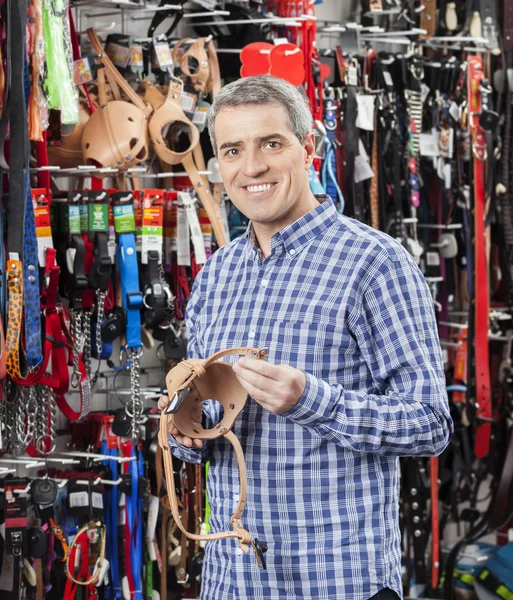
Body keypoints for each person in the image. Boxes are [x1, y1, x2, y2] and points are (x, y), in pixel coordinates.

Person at [158, 75, 453, 600]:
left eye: (270, 144)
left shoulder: (375, 265)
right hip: (233, 581)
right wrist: (188, 432)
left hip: (338, 582)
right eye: (233, 150)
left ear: (308, 148)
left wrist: (310, 401)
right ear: (219, 164)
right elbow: (211, 424)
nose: (252, 167)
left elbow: (430, 424)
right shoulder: (217, 275)